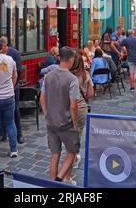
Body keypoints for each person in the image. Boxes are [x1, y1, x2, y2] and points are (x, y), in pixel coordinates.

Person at [39, 47, 80, 184]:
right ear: (71, 59)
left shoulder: (48, 76)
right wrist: (75, 123)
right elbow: (73, 105)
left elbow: (42, 99)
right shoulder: (72, 79)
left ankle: (52, 181)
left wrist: (47, 114)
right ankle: (59, 179)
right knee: (72, 152)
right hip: (66, 122)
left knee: (55, 154)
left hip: (51, 121)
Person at [69, 53, 94, 172]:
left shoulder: (67, 76)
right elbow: (90, 94)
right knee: (77, 133)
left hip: (67, 108)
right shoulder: (86, 75)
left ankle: (71, 155)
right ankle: (74, 156)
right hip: (81, 108)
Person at [0, 38, 24, 144]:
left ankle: (19, 134)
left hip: (13, 86)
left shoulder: (14, 53)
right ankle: (2, 133)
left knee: (15, 110)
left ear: (5, 46)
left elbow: (18, 71)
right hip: (0, 87)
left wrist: (12, 86)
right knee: (0, 111)